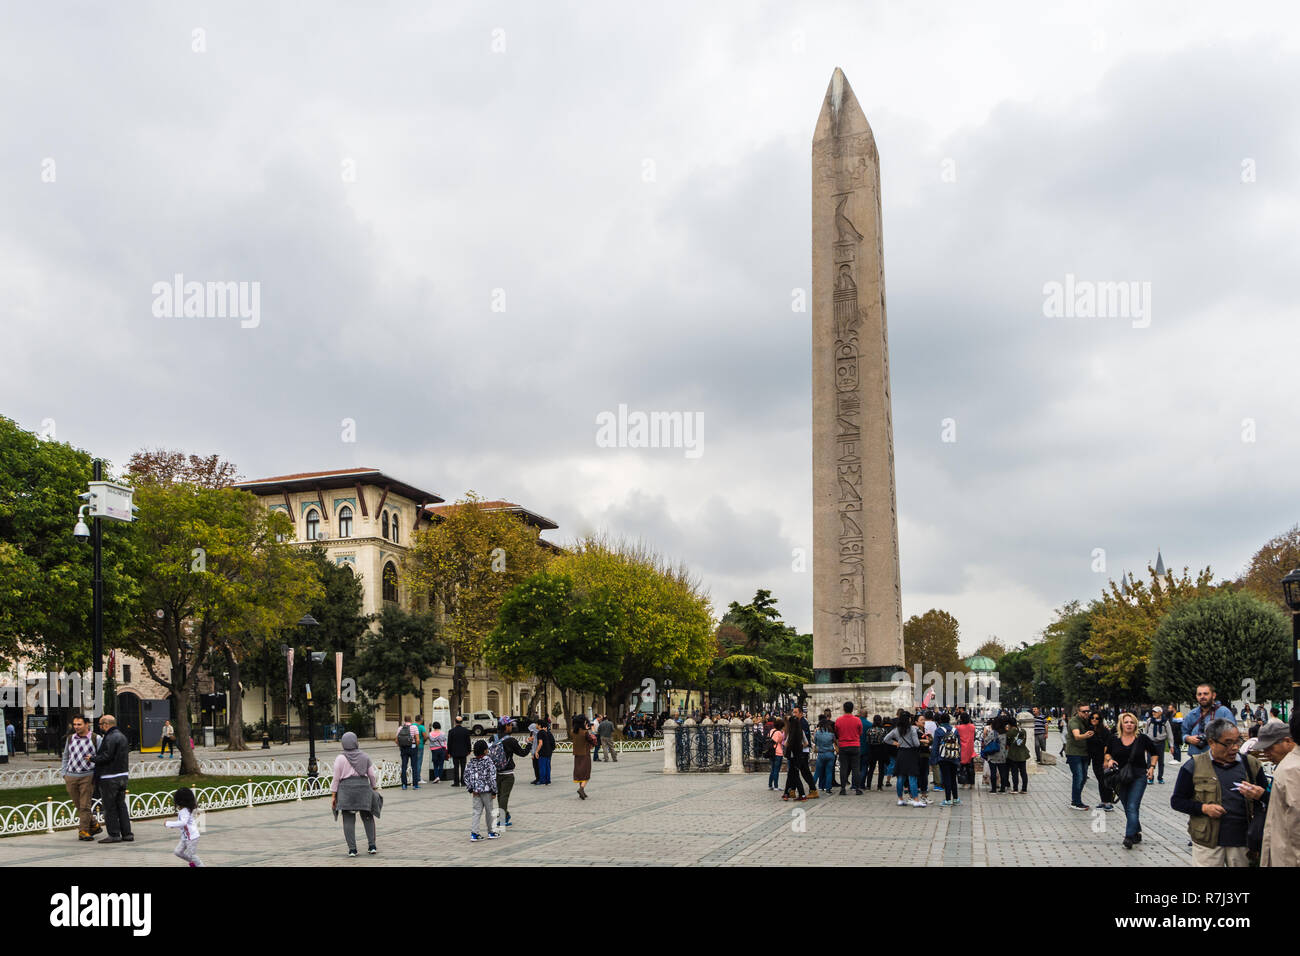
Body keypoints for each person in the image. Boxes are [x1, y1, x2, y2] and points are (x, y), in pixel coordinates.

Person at [1170, 718, 1268, 867]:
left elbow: (1268, 801)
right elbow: (1177, 801)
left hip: (1242, 842)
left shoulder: (1251, 764)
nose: (1235, 748)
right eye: (1228, 743)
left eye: (1237, 741)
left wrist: (1260, 795)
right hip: (1207, 843)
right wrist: (1204, 808)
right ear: (1211, 743)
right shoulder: (1193, 766)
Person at [1104, 712, 1160, 849]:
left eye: (1132, 722)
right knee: (1127, 806)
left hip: (1138, 776)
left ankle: (1129, 836)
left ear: (1135, 724)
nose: (1129, 724)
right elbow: (1107, 753)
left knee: (1132, 806)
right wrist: (1109, 760)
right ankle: (1136, 832)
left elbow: (1155, 753)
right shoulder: (1114, 739)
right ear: (1121, 724)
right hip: (1120, 777)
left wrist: (1152, 767)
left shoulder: (1142, 739)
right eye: (1126, 722)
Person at [1257, 717, 1299, 867]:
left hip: (1288, 856)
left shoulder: (1291, 769)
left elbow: (1297, 820)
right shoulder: (1288, 766)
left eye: (1270, 747)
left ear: (1288, 741)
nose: (1266, 753)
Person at [330, 732, 380, 857]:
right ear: (356, 742)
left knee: (348, 820)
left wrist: (333, 795)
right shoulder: (365, 756)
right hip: (363, 789)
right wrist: (373, 787)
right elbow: (372, 775)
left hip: (346, 791)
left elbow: (336, 778)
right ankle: (372, 846)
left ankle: (352, 849)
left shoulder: (340, 758)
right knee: (368, 817)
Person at [90, 714, 133, 844]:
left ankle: (114, 834)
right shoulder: (122, 736)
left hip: (109, 776)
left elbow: (106, 756)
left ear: (106, 724)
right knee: (121, 805)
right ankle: (127, 833)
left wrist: (92, 758)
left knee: (109, 807)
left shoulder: (110, 737)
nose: (100, 727)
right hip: (122, 775)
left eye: (101, 725)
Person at [62, 714, 101, 841]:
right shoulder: (70, 739)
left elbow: (101, 757)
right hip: (71, 776)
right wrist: (64, 773)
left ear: (86, 724)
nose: (76, 727)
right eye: (75, 724)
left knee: (85, 805)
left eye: (79, 724)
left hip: (87, 776)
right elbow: (66, 757)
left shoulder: (96, 738)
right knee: (78, 805)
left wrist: (96, 774)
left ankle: (83, 831)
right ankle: (94, 824)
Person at [488, 723, 531, 827]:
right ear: (506, 726)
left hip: (496, 772)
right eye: (510, 725)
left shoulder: (492, 738)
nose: (512, 726)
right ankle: (503, 819)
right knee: (504, 796)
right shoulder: (511, 740)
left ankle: (505, 815)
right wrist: (529, 743)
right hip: (508, 773)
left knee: (499, 795)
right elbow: (523, 753)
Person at [1181, 684, 1236, 757]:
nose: (1202, 697)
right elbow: (1184, 733)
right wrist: (1188, 738)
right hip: (1196, 757)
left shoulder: (1224, 712)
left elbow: (1233, 734)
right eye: (1199, 694)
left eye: (1205, 694)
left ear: (1213, 695)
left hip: (1218, 757)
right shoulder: (1192, 714)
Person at [885, 711, 924, 806]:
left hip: (901, 754)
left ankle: (900, 799)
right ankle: (915, 800)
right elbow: (917, 744)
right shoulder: (912, 729)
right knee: (912, 777)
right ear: (908, 719)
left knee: (900, 777)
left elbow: (886, 739)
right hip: (910, 754)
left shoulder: (896, 730)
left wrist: (896, 743)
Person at [465, 738, 499, 841]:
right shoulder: (489, 762)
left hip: (476, 791)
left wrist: (471, 788)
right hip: (487, 791)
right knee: (489, 811)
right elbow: (492, 777)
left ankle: (474, 833)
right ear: (485, 751)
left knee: (476, 811)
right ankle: (491, 832)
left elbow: (466, 776)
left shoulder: (471, 762)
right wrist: (494, 791)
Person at [1064, 703, 1094, 810]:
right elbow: (1076, 736)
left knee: (1083, 777)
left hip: (1085, 753)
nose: (1086, 713)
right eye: (1084, 711)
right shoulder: (1074, 721)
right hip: (1074, 753)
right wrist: (1086, 735)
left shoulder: (1087, 721)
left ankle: (1076, 799)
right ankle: (1076, 802)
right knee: (1078, 777)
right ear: (1078, 711)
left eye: (1088, 711)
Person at [165, 787, 203, 867]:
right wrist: (175, 825)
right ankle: (194, 863)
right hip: (185, 837)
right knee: (177, 852)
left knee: (192, 856)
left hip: (192, 838)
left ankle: (199, 865)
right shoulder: (185, 810)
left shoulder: (184, 811)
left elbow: (183, 822)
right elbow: (182, 823)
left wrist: (168, 823)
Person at [782, 712, 815, 800]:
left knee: (794, 775)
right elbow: (807, 743)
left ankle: (801, 794)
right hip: (800, 755)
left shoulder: (791, 732)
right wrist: (800, 747)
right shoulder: (801, 731)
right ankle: (788, 793)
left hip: (792, 756)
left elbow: (785, 744)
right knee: (794, 774)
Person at [1087, 710, 1115, 810]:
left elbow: (1107, 746)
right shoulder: (1089, 729)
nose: (1094, 720)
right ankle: (1103, 800)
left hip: (1103, 758)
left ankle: (1109, 802)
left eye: (1097, 718)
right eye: (1092, 718)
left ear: (1100, 720)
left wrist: (1105, 760)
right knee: (1100, 780)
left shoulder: (1104, 731)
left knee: (1106, 780)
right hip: (1094, 758)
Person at [833, 701, 862, 795]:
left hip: (843, 746)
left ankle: (843, 788)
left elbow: (836, 732)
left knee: (844, 768)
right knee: (856, 768)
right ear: (852, 709)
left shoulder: (839, 720)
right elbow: (860, 732)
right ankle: (857, 788)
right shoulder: (857, 720)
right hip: (855, 745)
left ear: (844, 709)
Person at [933, 713, 962, 806]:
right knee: (953, 778)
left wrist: (934, 759)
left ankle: (948, 799)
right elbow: (959, 745)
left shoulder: (938, 731)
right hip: (954, 757)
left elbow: (935, 746)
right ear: (949, 720)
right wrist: (959, 757)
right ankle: (956, 799)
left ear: (940, 721)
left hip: (943, 758)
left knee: (946, 778)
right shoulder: (955, 730)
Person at [1143, 706, 1170, 783]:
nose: (1153, 713)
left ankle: (1160, 777)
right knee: (1149, 760)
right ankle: (1150, 777)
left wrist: (1171, 745)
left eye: (1156, 712)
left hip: (1161, 743)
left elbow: (1169, 734)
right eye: (1153, 712)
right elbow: (1145, 732)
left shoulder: (1165, 722)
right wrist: (1144, 743)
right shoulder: (1149, 721)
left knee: (1161, 761)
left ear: (1160, 713)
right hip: (1150, 743)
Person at [982, 716, 1008, 794]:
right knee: (1002, 772)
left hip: (993, 754)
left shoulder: (993, 732)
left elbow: (986, 741)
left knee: (993, 772)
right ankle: (1003, 788)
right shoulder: (1005, 733)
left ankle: (993, 789)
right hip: (1002, 755)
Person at [1005, 715, 1030, 793]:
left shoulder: (1009, 732)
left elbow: (1007, 744)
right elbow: (1022, 742)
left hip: (1013, 755)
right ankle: (1024, 789)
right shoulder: (1023, 731)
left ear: (1009, 724)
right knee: (1023, 772)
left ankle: (1015, 789)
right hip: (1023, 754)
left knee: (1014, 772)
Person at [572, 715, 594, 799]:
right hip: (585, 755)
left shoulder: (573, 732)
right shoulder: (584, 732)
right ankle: (581, 789)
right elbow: (591, 740)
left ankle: (582, 791)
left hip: (577, 755)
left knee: (580, 773)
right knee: (586, 773)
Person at [813, 717, 837, 794]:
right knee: (829, 772)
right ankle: (828, 789)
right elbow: (834, 742)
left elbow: (815, 742)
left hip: (821, 754)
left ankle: (812, 787)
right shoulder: (831, 733)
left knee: (817, 772)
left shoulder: (817, 733)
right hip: (830, 753)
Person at [446, 717, 472, 787]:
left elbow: (449, 743)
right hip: (464, 752)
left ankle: (456, 782)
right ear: (462, 722)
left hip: (454, 752)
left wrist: (449, 752)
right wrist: (469, 750)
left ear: (455, 722)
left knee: (456, 767)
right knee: (463, 767)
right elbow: (468, 742)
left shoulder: (451, 731)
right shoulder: (466, 731)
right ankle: (463, 782)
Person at [396, 715, 418, 790]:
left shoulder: (400, 728)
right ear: (411, 720)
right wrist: (416, 746)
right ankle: (415, 785)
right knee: (414, 766)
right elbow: (417, 739)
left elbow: (396, 740)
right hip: (412, 748)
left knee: (404, 766)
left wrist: (400, 746)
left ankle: (404, 785)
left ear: (404, 720)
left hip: (403, 748)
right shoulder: (414, 727)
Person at [956, 713, 976, 788]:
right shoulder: (972, 727)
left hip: (962, 749)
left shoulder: (958, 727)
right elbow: (974, 737)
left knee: (962, 768)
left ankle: (964, 783)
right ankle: (972, 783)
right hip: (970, 749)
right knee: (970, 767)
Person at [915, 713, 932, 797]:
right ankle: (920, 790)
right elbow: (916, 742)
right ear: (916, 722)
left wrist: (926, 741)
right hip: (918, 754)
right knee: (920, 773)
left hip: (925, 755)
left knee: (924, 774)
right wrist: (925, 741)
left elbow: (931, 740)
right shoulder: (915, 731)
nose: (923, 721)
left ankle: (923, 791)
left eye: (924, 719)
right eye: (921, 720)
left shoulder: (925, 730)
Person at [534, 719, 555, 785]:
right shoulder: (545, 732)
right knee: (547, 766)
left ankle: (542, 780)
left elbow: (540, 743)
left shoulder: (540, 732)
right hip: (548, 751)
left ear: (539, 725)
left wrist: (536, 751)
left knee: (542, 766)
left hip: (543, 752)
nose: (535, 725)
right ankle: (547, 780)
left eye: (536, 724)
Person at [767, 718, 786, 791]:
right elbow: (781, 741)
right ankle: (776, 786)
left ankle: (770, 785)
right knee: (776, 770)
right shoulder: (779, 733)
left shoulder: (771, 731)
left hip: (771, 752)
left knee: (772, 769)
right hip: (778, 752)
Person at [411, 714, 427, 785]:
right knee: (419, 762)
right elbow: (425, 736)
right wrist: (423, 742)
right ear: (421, 720)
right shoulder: (421, 727)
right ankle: (418, 778)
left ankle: (413, 777)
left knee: (413, 762)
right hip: (419, 746)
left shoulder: (411, 725)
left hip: (412, 746)